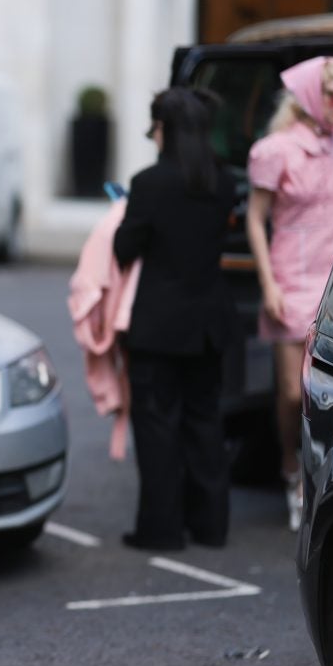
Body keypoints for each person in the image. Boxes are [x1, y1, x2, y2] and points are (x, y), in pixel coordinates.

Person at [113, 88, 236, 551]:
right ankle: (210, 526)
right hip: (209, 322)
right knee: (205, 423)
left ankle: (161, 529)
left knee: (157, 427)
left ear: (167, 129)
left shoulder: (149, 183)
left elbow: (126, 248)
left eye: (156, 126)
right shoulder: (223, 184)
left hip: (160, 325)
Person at [246, 56, 333, 532]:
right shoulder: (274, 150)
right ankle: (291, 470)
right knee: (294, 393)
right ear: (311, 96)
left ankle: (315, 481)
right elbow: (255, 217)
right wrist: (268, 282)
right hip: (290, 274)